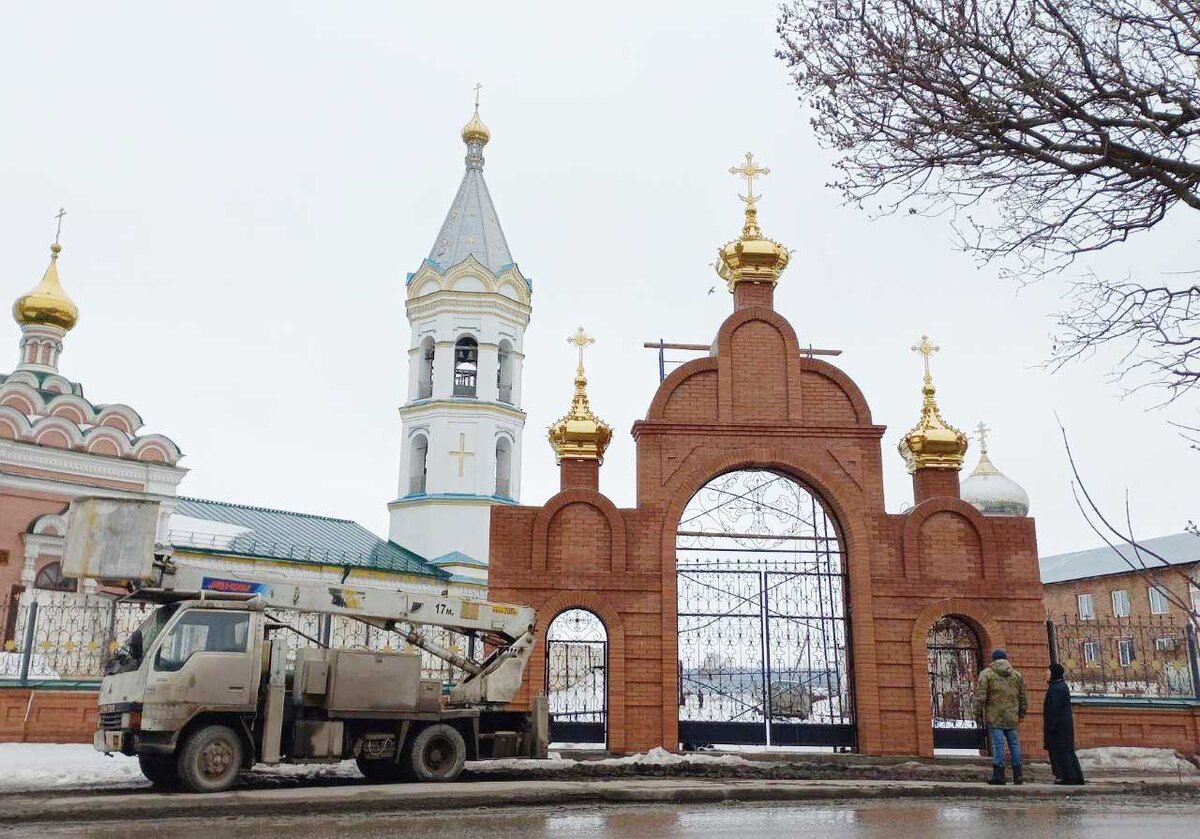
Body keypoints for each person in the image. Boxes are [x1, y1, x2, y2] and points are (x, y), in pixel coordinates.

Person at [975, 648, 1028, 785]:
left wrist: (978, 713)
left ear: (993, 659)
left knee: (998, 744)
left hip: (994, 715)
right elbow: (1023, 697)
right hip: (1012, 716)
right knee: (1014, 744)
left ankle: (999, 775)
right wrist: (1021, 714)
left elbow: (981, 696)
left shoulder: (987, 674)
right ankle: (1018, 775)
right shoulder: (1016, 675)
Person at [1043, 662, 1085, 785]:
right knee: (1066, 751)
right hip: (1062, 727)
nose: (1046, 674)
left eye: (1049, 672)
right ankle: (1073, 776)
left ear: (1054, 674)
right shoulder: (1059, 687)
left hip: (1058, 728)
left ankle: (1068, 777)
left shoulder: (1056, 689)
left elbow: (1054, 710)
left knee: (1061, 752)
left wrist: (1051, 726)